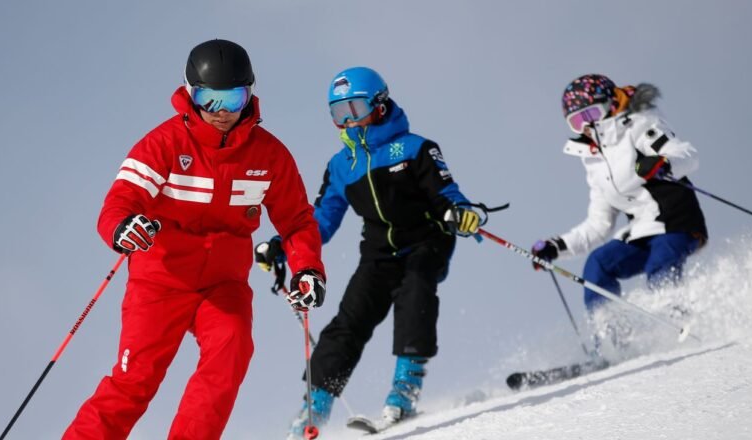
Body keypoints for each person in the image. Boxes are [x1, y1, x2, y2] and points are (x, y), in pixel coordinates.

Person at [63, 39, 326, 440]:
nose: (221, 112)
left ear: (250, 95)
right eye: (209, 98)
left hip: (223, 284)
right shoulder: (163, 144)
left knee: (232, 351)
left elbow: (296, 221)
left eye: (233, 98)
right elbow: (121, 200)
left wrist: (307, 269)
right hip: (161, 280)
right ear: (190, 94)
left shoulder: (269, 156)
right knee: (135, 382)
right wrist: (123, 227)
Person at [255, 66, 485, 437]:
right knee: (349, 320)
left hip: (426, 239)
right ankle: (313, 410)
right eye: (338, 113)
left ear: (379, 104)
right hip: (378, 253)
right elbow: (321, 221)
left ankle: (403, 391)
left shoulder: (415, 148)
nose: (348, 120)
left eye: (355, 109)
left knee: (415, 293)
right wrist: (285, 245)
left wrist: (459, 211)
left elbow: (447, 192)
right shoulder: (341, 165)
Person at [531, 73, 707, 352]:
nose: (587, 124)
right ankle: (616, 347)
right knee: (598, 266)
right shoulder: (593, 159)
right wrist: (556, 247)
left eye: (591, 113)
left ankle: (686, 331)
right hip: (640, 230)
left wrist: (662, 163)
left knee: (659, 268)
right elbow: (599, 224)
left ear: (611, 104)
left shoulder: (641, 125)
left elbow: (688, 155)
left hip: (676, 222)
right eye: (577, 120)